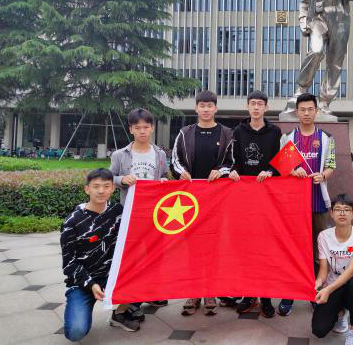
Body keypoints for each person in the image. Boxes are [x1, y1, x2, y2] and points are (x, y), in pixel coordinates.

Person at [170, 90, 235, 316]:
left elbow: (232, 162)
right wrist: (182, 172)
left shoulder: (226, 133)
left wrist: (221, 170)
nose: (206, 109)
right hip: (190, 200)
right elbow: (175, 160)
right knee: (192, 247)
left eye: (210, 106)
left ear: (216, 108)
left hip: (216, 200)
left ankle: (210, 292)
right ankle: (193, 292)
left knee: (213, 246)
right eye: (202, 105)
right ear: (196, 108)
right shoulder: (184, 133)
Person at [61, 169, 138, 341]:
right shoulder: (72, 222)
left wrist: (162, 183)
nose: (101, 191)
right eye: (96, 186)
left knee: (146, 272)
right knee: (76, 332)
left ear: (113, 189)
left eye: (106, 186)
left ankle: (121, 313)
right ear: (87, 189)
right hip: (83, 282)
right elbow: (69, 264)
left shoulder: (118, 211)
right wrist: (91, 284)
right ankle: (79, 304)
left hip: (114, 277)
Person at [278, 92, 336, 316]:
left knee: (317, 250)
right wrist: (293, 171)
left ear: (316, 111)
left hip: (318, 202)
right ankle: (289, 294)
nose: (306, 113)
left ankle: (315, 291)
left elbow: (331, 164)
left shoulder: (326, 138)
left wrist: (323, 175)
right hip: (293, 205)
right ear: (296, 112)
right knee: (293, 249)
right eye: (302, 110)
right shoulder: (288, 138)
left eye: (310, 109)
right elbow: (283, 167)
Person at [109, 108, 170, 316]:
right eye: (137, 127)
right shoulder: (120, 155)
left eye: (146, 127)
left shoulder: (159, 154)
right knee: (133, 256)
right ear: (131, 130)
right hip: (130, 213)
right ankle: (133, 298)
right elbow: (109, 178)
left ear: (152, 128)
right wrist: (121, 179)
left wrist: (164, 180)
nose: (142, 131)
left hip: (154, 213)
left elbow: (164, 175)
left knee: (155, 254)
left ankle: (152, 292)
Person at [229, 90, 282, 318]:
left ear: (266, 107)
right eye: (253, 103)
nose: (257, 107)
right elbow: (233, 160)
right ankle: (249, 294)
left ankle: (266, 296)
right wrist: (232, 171)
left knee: (266, 248)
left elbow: (281, 162)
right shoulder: (238, 131)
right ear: (247, 106)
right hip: (244, 198)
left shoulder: (276, 132)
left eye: (260, 104)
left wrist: (270, 171)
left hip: (268, 198)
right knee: (247, 248)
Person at [312, 194, 353, 345]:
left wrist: (327, 290)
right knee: (319, 330)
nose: (342, 213)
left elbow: (351, 272)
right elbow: (323, 269)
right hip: (333, 285)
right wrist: (318, 283)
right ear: (331, 214)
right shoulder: (324, 236)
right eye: (338, 209)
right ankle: (340, 314)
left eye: (346, 209)